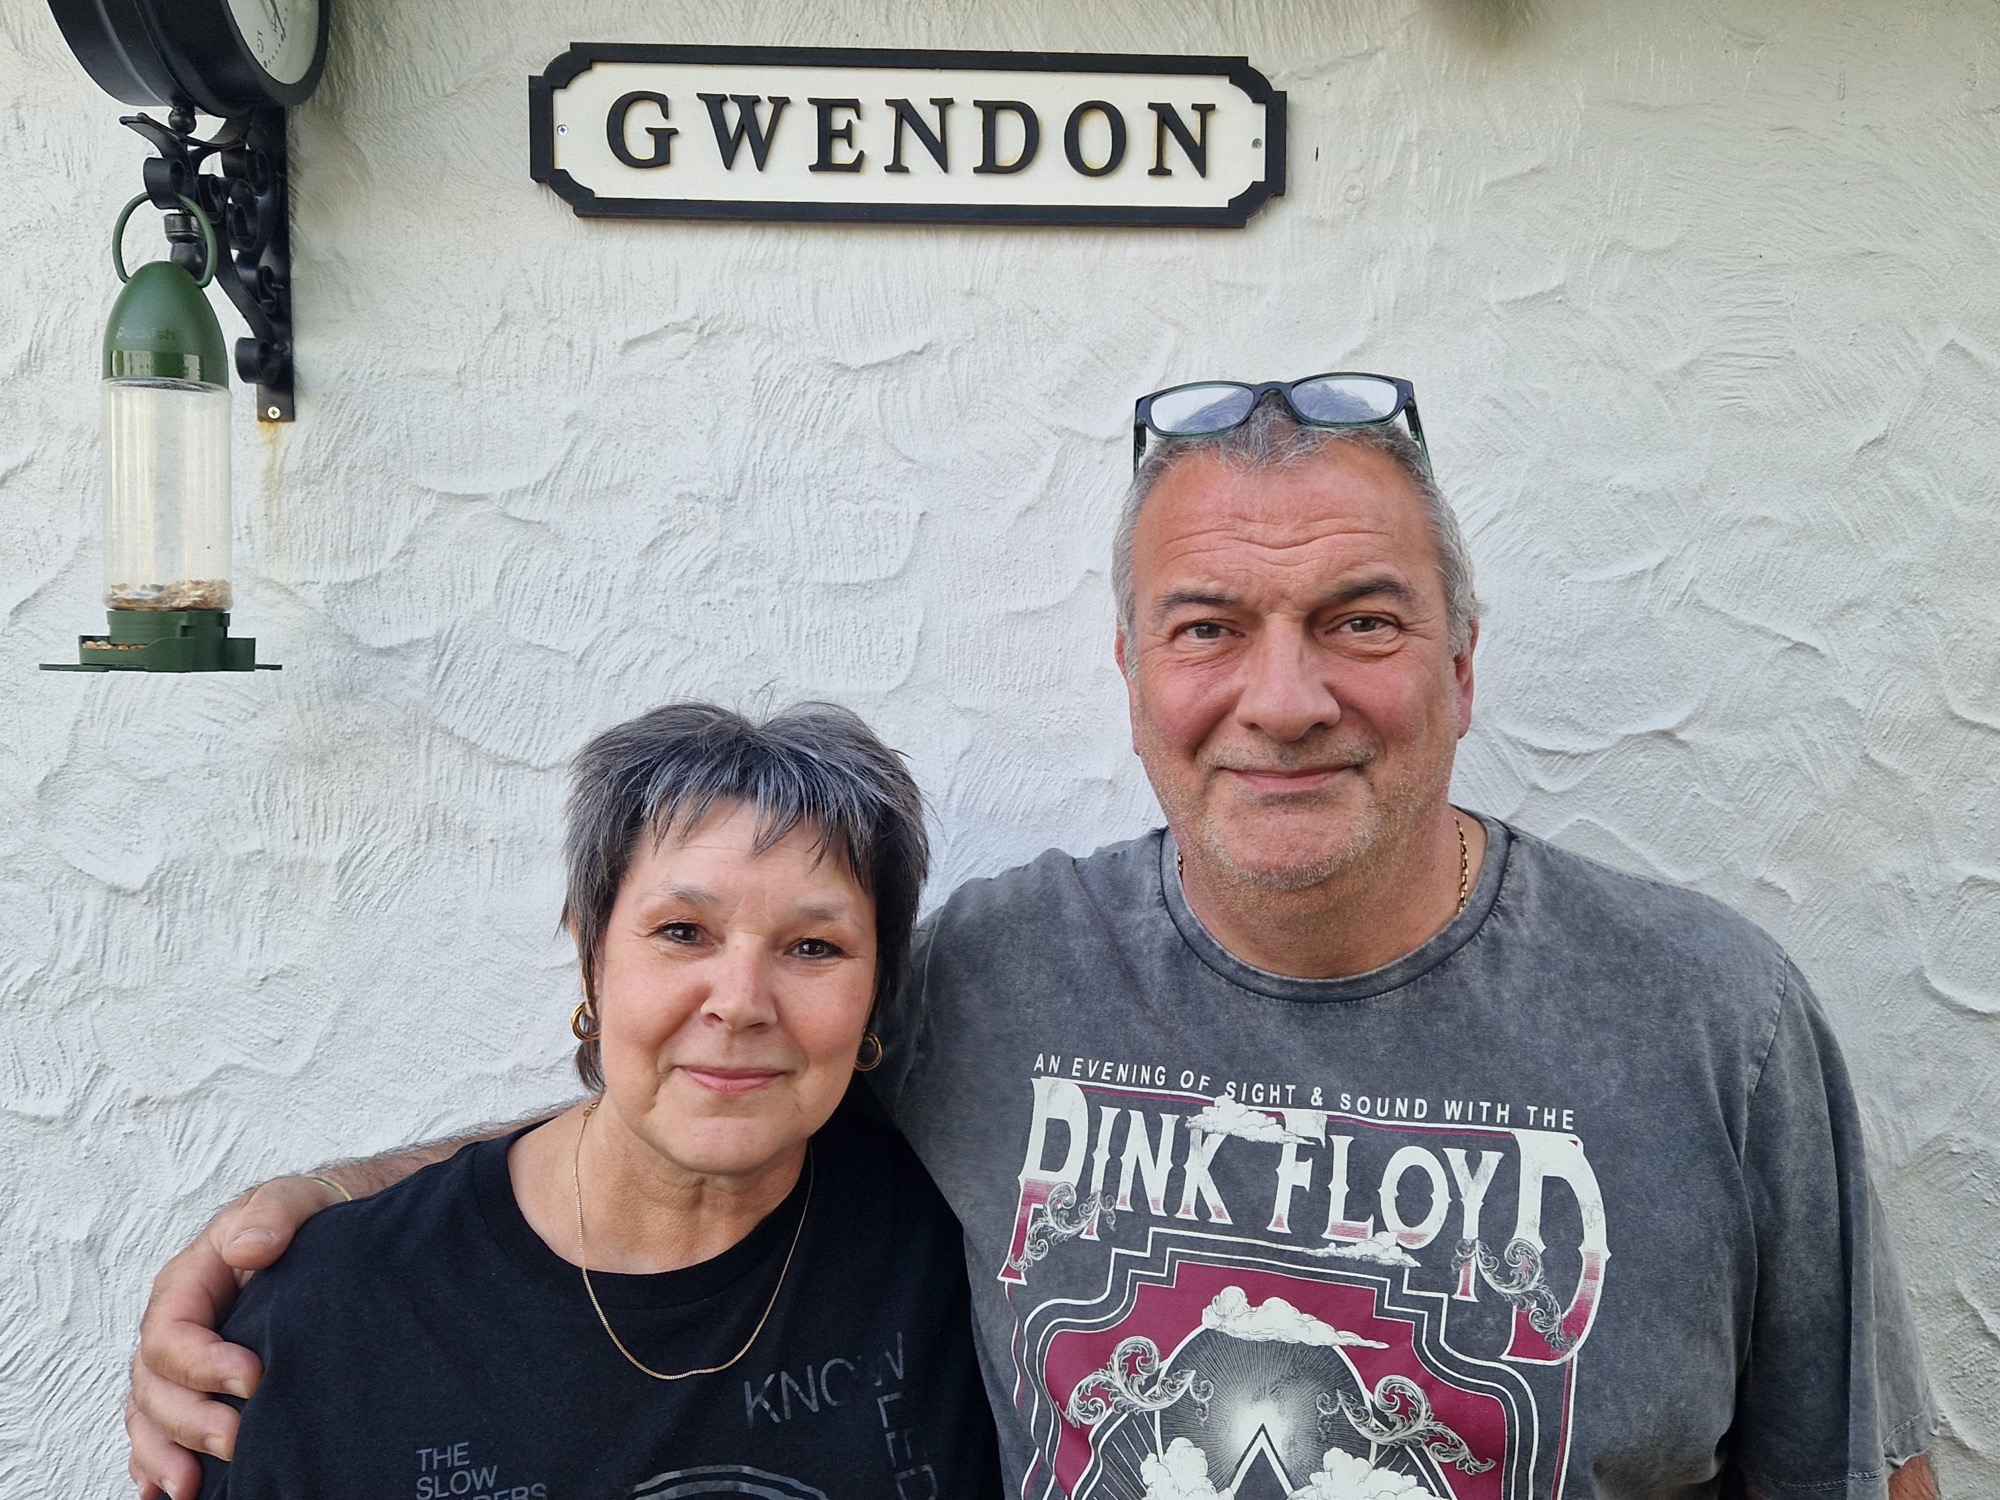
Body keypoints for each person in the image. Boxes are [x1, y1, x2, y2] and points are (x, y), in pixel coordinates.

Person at [132, 375, 1938, 1500]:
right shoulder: (1003, 975)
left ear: (1464, 668)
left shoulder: (1714, 1022)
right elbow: (722, 1080)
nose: (1285, 696)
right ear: (1139, 680)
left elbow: (1860, 1471)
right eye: (1211, 625)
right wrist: (318, 1222)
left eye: (1362, 620)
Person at [182, 701, 1000, 1499]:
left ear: (877, 991)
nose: (741, 1000)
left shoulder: (957, 1245)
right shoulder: (335, 1313)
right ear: (592, 957)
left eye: (814, 946)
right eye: (683, 931)